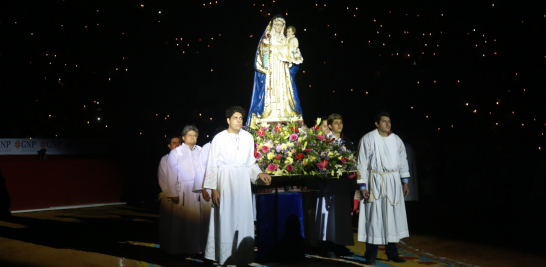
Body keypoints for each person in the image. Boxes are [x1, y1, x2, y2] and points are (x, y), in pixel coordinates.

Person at [203, 106, 272, 265]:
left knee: (243, 216)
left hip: (242, 181)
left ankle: (243, 255)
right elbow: (212, 164)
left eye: (241, 118)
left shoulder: (248, 137)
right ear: (228, 120)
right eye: (235, 118)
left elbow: (251, 163)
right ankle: (225, 256)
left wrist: (260, 174)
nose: (239, 121)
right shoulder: (219, 138)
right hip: (225, 180)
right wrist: (213, 188)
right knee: (226, 216)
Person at [356, 112, 410, 265]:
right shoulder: (368, 138)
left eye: (389, 121)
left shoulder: (396, 139)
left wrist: (404, 181)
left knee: (391, 217)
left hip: (393, 181)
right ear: (376, 123)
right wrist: (362, 185)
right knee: (374, 217)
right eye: (384, 121)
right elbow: (362, 162)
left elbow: (402, 160)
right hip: (375, 181)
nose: (388, 124)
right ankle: (371, 255)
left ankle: (392, 253)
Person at [247, 15, 303, 125]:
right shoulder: (268, 37)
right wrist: (266, 45)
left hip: (283, 68)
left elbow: (292, 51)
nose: (279, 27)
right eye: (277, 24)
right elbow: (262, 52)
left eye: (281, 25)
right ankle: (270, 111)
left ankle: (284, 111)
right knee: (271, 87)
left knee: (284, 88)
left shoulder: (286, 39)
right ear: (273, 25)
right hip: (272, 67)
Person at [163, 126, 203, 255]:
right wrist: (173, 193)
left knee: (196, 222)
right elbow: (171, 173)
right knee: (180, 222)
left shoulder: (201, 150)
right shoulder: (176, 152)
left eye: (194, 135)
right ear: (184, 138)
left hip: (197, 191)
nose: (192, 137)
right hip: (182, 191)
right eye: (189, 135)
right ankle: (178, 250)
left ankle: (196, 249)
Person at [157, 136, 181, 254]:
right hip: (169, 197)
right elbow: (163, 179)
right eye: (174, 142)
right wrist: (172, 194)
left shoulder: (185, 159)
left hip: (184, 197)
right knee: (169, 225)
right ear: (169, 146)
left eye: (178, 142)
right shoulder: (165, 160)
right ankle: (167, 248)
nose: (177, 144)